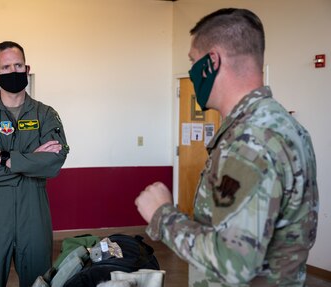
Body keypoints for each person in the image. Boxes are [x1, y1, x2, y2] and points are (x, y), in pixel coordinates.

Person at [135, 8, 318, 287]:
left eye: (193, 61)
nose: (191, 72)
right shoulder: (284, 126)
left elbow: (234, 263)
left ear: (211, 62)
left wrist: (162, 215)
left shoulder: (250, 140)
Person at [0, 41, 69, 287]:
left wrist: (6, 157)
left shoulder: (46, 115)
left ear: (27, 68)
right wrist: (31, 164)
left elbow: (53, 164)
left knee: (39, 283)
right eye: (6, 67)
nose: (13, 71)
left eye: (18, 65)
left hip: (34, 219)